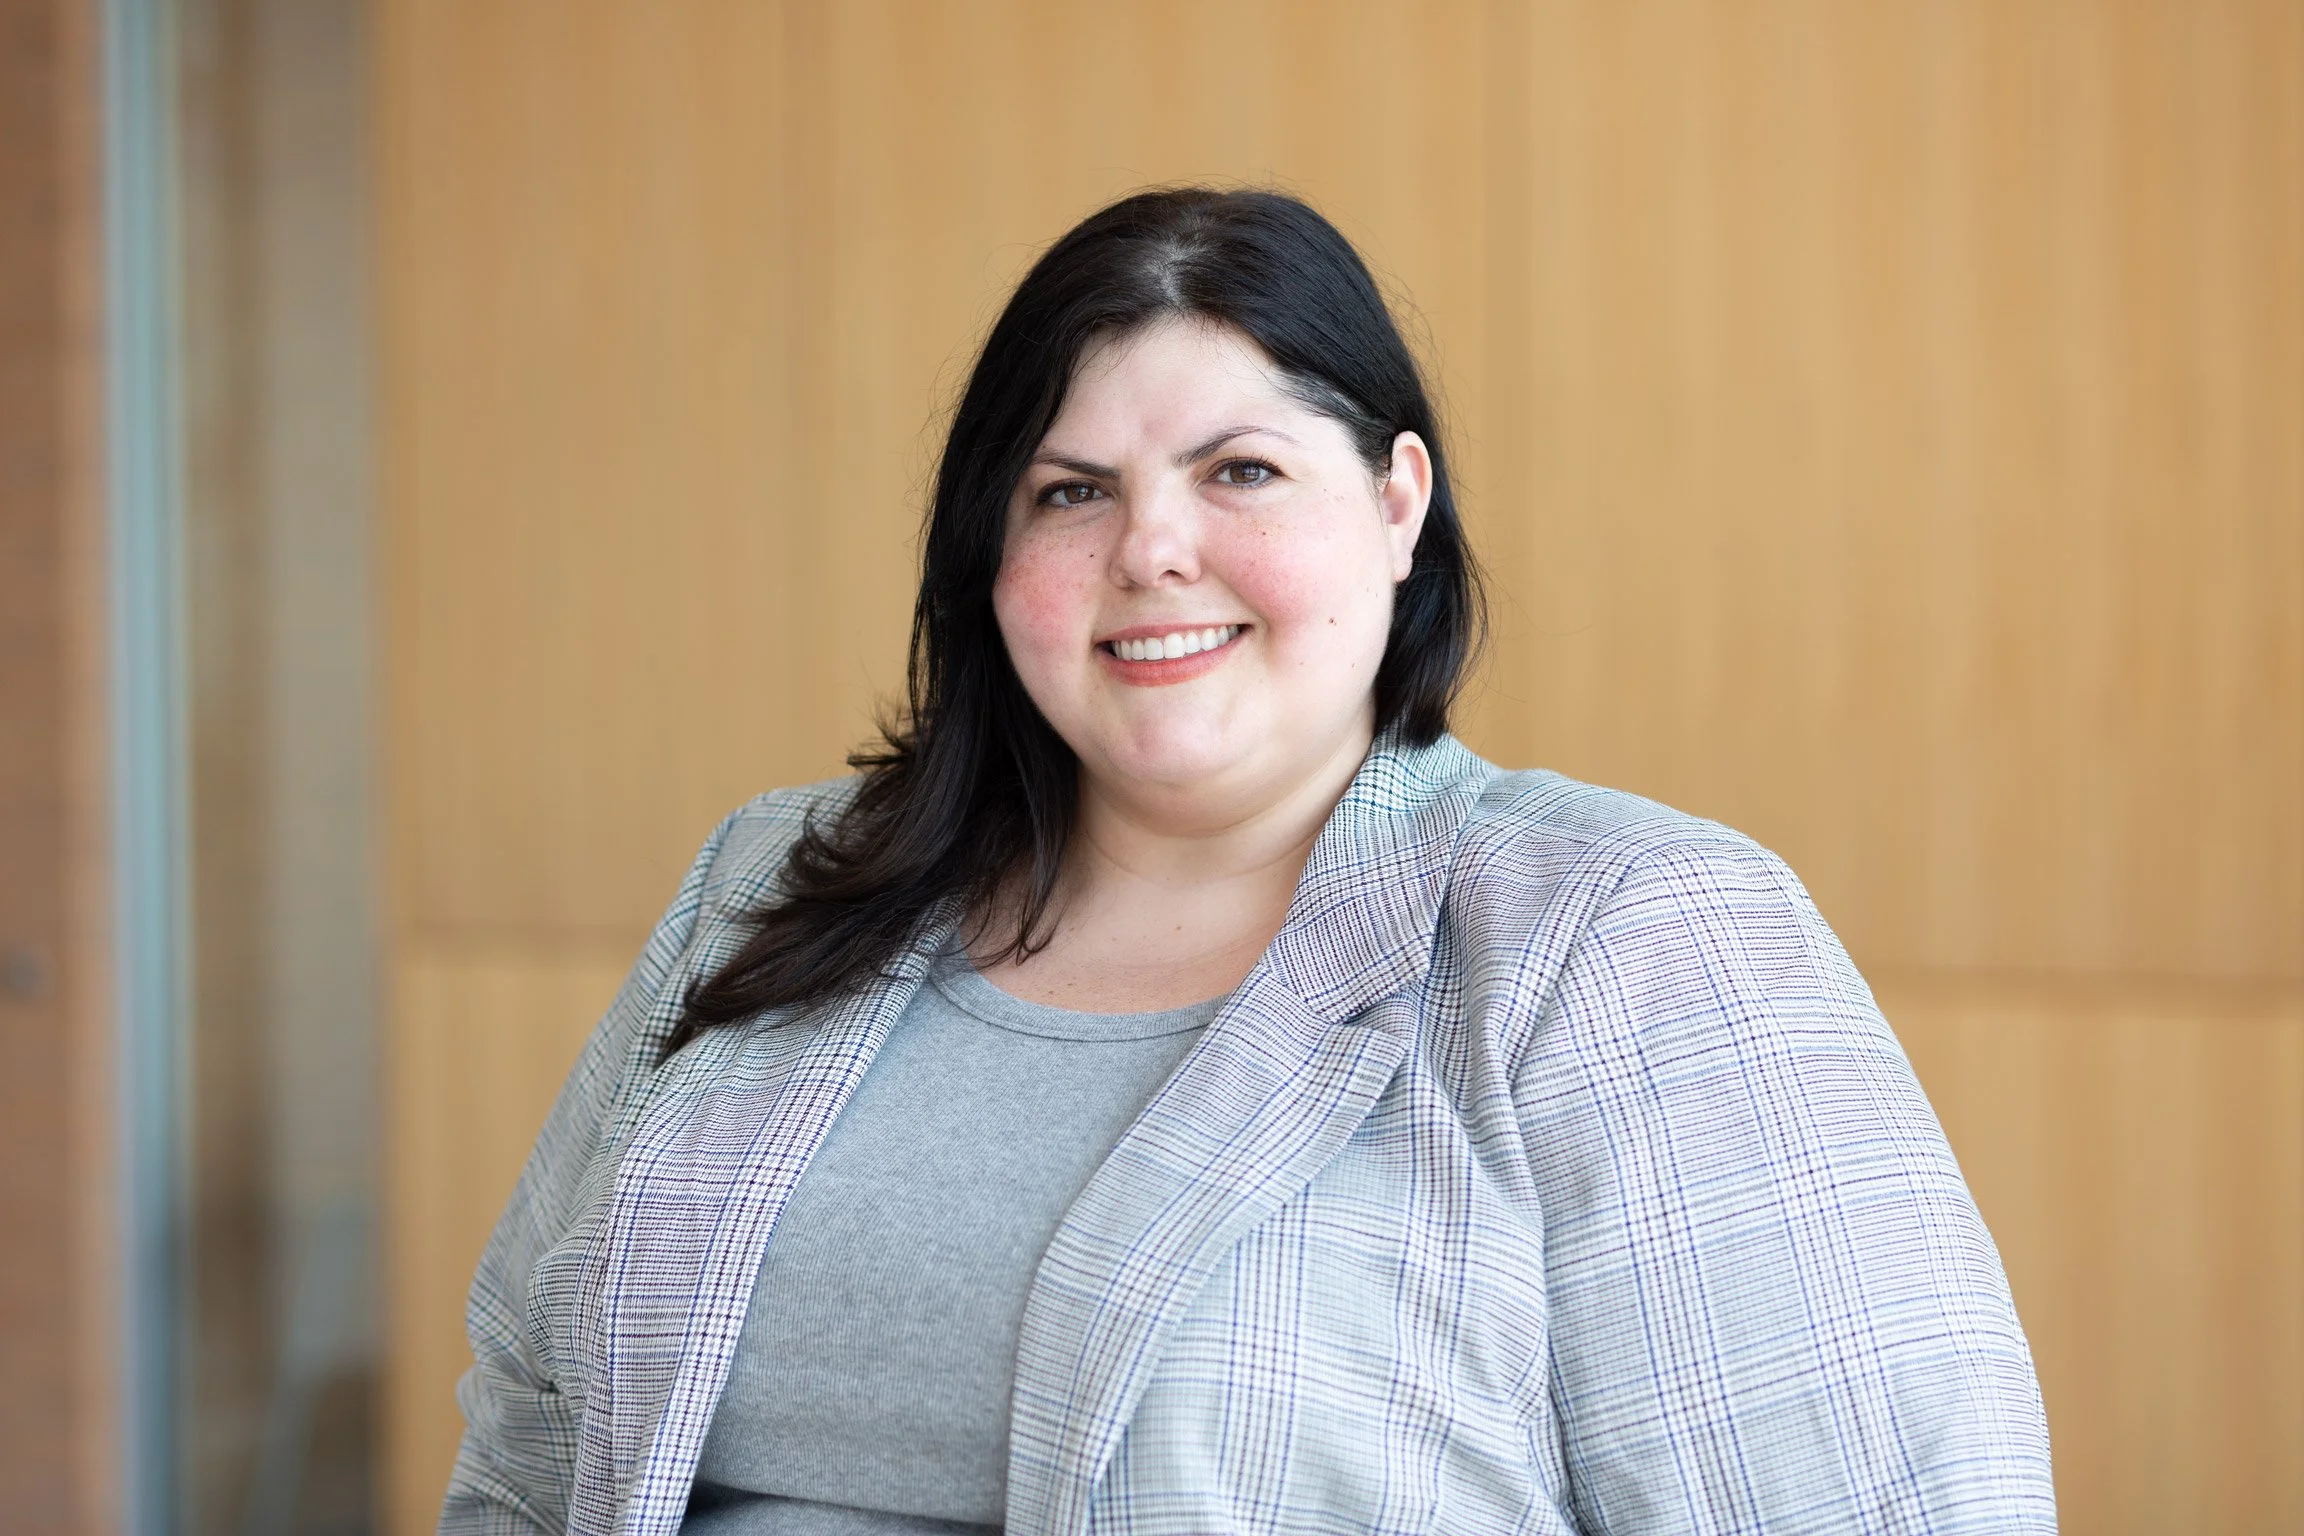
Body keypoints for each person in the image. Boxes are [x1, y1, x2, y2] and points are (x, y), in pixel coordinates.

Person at [440, 188, 2055, 1536]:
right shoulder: (772, 880)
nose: (1151, 548)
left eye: (1242, 472)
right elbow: (527, 1438)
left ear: (1397, 505)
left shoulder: (1623, 933)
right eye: (1073, 491)